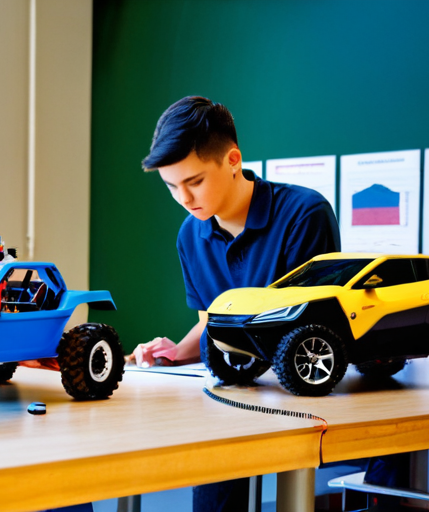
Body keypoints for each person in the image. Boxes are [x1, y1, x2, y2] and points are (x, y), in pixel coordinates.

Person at [131, 96, 340, 511]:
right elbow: (214, 322)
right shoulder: (191, 234)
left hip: (298, 396)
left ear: (232, 159)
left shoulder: (305, 213)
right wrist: (177, 351)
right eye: (172, 186)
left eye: (194, 182)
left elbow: (305, 328)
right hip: (234, 398)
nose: (184, 199)